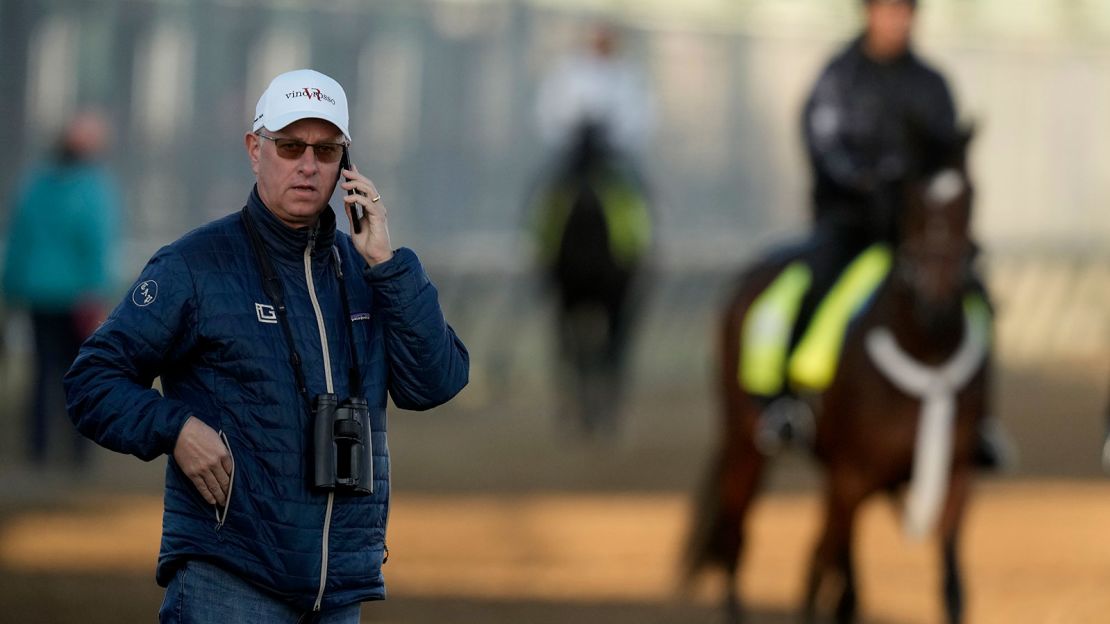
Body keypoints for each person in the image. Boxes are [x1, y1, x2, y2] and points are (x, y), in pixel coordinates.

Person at [64, 69, 469, 623]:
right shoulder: (194, 264)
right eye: (289, 145)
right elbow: (92, 380)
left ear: (346, 165)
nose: (308, 163)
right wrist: (176, 428)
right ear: (255, 150)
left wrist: (385, 262)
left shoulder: (370, 273)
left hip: (339, 591)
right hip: (228, 580)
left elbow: (437, 382)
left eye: (326, 150)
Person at [3, 110, 120, 468]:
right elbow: (97, 244)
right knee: (81, 375)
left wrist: (10, 291)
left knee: (42, 372)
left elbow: (18, 241)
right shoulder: (93, 189)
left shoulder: (35, 185)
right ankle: (78, 453)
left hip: (37, 294)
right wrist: (100, 292)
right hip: (78, 297)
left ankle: (37, 449)